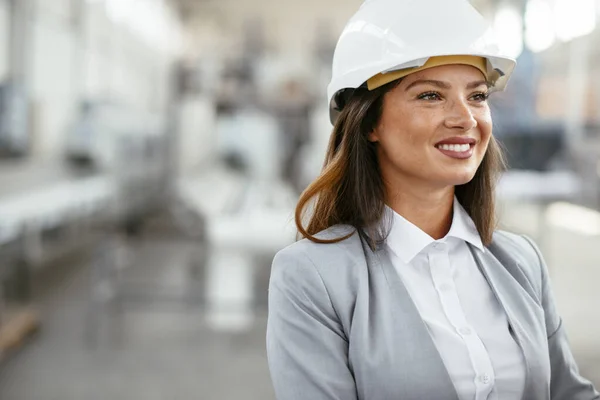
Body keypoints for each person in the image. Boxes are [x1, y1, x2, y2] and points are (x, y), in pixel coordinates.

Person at [265, 0, 600, 399]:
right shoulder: (311, 277)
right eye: (430, 96)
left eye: (477, 96)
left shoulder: (523, 262)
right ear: (369, 121)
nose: (465, 118)